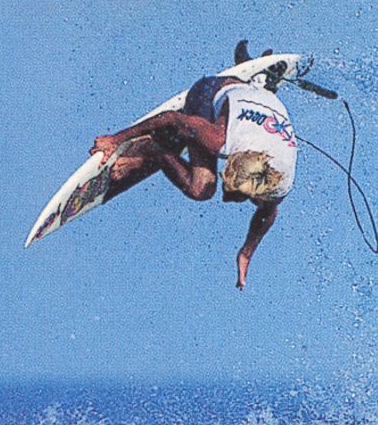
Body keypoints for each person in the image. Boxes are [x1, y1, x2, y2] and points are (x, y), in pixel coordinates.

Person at [90, 41, 296, 290]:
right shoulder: (219, 139)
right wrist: (116, 139)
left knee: (235, 186)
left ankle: (259, 82)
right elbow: (172, 118)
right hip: (211, 92)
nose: (225, 199)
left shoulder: (279, 182)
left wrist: (246, 253)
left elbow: (267, 212)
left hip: (256, 104)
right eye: (230, 191)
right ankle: (154, 148)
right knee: (201, 188)